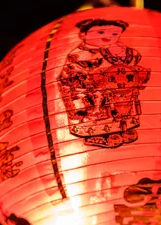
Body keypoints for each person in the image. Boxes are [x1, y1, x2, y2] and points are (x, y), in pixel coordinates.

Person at [57, 18, 150, 148]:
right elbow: (72, 78)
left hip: (117, 92)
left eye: (115, 33)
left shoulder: (119, 50)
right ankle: (97, 136)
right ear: (83, 34)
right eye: (100, 32)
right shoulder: (78, 55)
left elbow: (133, 61)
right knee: (97, 116)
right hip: (89, 93)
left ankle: (123, 130)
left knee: (122, 111)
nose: (108, 36)